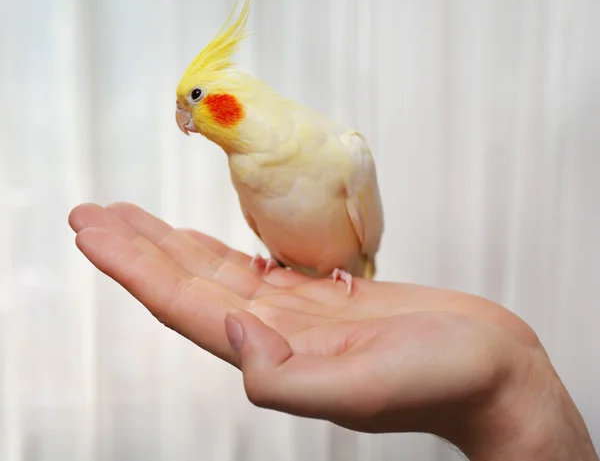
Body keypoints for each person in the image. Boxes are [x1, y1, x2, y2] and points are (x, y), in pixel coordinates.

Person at [68, 202, 598, 461]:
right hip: (293, 272)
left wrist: (513, 383)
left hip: (342, 274)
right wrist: (523, 388)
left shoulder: (337, 153)